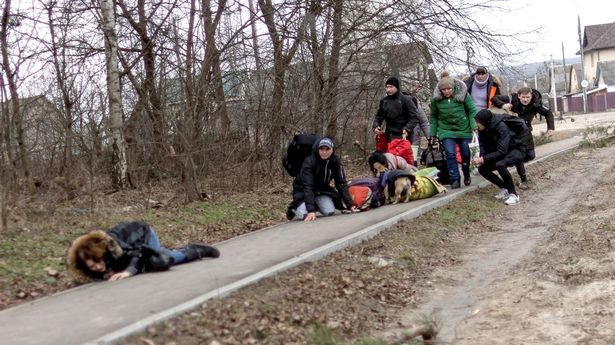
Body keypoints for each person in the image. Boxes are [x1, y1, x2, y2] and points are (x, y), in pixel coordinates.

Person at [66, 221, 220, 282]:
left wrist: (128, 272)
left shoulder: (113, 246)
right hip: (134, 249)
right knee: (150, 262)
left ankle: (195, 250)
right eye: (93, 267)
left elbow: (137, 253)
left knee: (159, 261)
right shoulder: (90, 263)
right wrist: (105, 273)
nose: (98, 267)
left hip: (144, 234)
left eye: (98, 263)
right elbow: (104, 268)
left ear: (101, 255)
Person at [492, 87, 555, 187]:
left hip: (526, 131)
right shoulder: (511, 98)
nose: (525, 100)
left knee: (531, 155)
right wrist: (503, 104)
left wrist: (550, 127)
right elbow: (494, 98)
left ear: (531, 96)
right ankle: (523, 178)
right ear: (518, 96)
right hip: (513, 132)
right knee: (518, 155)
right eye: (523, 97)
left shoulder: (536, 103)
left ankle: (513, 160)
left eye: (528, 97)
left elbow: (548, 113)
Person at [287, 137, 356, 222]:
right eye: (322, 149)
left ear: (332, 150)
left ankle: (314, 204)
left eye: (327, 149)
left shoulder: (335, 161)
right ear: (318, 149)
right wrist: (311, 210)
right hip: (302, 191)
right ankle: (295, 208)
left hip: (320, 191)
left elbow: (341, 183)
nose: (324, 152)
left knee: (329, 211)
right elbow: (308, 186)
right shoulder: (309, 161)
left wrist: (350, 205)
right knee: (305, 215)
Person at [429, 71, 477, 189]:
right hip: (446, 130)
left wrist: (473, 125)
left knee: (465, 153)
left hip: (463, 128)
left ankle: (466, 173)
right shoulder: (436, 100)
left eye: (449, 89)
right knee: (450, 154)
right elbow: (433, 116)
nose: (446, 92)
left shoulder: (463, 94)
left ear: (453, 87)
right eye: (443, 90)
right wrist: (433, 134)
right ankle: (455, 179)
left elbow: (472, 110)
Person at [472, 109, 529, 205]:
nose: (476, 124)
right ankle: (505, 188)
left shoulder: (501, 127)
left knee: (500, 164)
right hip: (503, 151)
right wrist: (482, 158)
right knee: (483, 169)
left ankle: (514, 195)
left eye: (478, 122)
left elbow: (502, 150)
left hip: (516, 149)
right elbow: (484, 146)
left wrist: (483, 159)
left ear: (484, 121)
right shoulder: (483, 129)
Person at [372, 77, 420, 145]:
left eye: (391, 87)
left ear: (396, 87)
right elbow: (379, 116)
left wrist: (407, 128)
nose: (388, 89)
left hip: (404, 135)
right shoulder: (384, 101)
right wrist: (376, 125)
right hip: (390, 135)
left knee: (401, 155)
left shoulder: (405, 100)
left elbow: (414, 117)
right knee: (390, 155)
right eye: (387, 87)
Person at [402, 91, 430, 165]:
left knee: (412, 162)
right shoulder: (396, 107)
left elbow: (424, 122)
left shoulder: (416, 106)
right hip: (399, 140)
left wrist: (429, 137)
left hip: (414, 140)